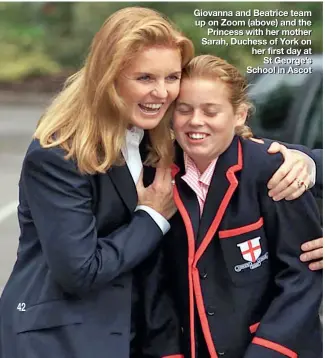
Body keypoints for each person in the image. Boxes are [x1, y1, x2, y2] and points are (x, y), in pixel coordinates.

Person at [0, 6, 321, 358]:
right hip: (62, 339)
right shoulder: (58, 154)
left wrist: (307, 161)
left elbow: (235, 145)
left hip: (138, 334)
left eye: (171, 78)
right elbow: (79, 270)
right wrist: (152, 217)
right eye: (145, 78)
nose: (162, 93)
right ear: (109, 78)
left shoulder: (155, 134)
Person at [165, 55, 323, 358]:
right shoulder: (159, 177)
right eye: (184, 110)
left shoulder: (277, 171)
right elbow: (155, 285)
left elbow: (301, 280)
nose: (195, 120)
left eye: (211, 111)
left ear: (240, 115)